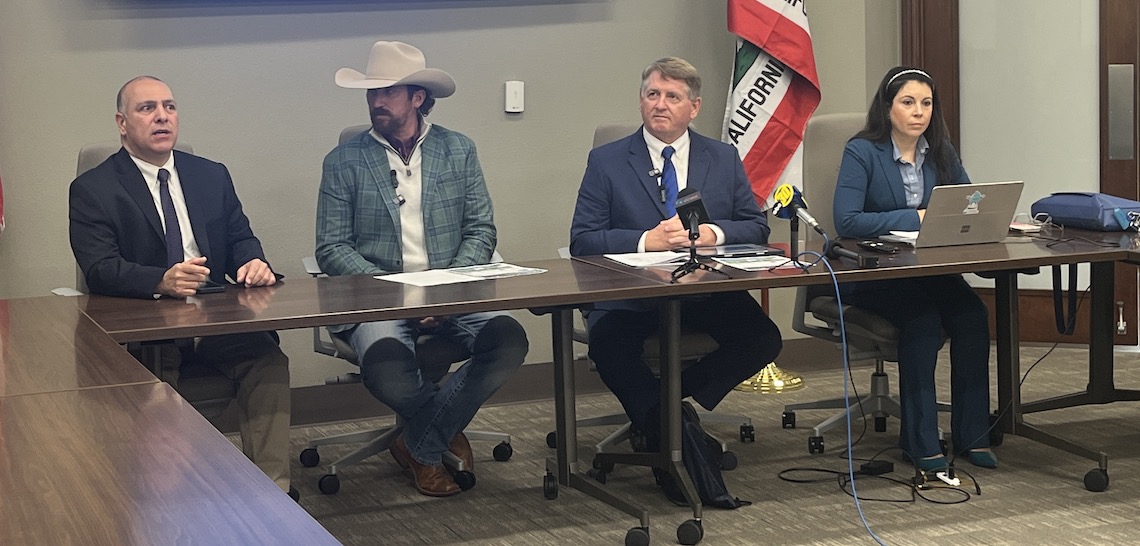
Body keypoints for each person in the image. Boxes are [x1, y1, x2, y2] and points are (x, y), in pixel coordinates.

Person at [316, 41, 529, 497]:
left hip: (452, 290)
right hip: (379, 298)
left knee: (508, 339)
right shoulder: (343, 161)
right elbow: (332, 247)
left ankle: (418, 442)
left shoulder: (459, 150)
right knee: (385, 365)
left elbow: (481, 230)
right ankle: (438, 431)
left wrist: (444, 292)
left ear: (417, 98)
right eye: (372, 93)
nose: (376, 101)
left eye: (388, 92)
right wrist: (403, 295)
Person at [68, 76, 296, 498]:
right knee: (157, 401)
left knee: (268, 362)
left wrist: (254, 261)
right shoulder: (93, 189)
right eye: (147, 108)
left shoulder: (211, 175)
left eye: (169, 107)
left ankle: (273, 496)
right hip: (150, 330)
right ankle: (168, 500)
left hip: (216, 319)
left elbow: (241, 236)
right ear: (122, 122)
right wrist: (160, 279)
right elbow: (100, 268)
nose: (161, 117)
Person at [569, 57, 783, 495]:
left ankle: (660, 409)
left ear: (694, 107)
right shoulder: (607, 160)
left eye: (672, 96)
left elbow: (756, 226)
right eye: (652, 94)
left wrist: (712, 232)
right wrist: (647, 240)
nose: (660, 104)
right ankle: (672, 426)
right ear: (641, 101)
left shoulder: (721, 157)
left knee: (763, 338)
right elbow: (583, 240)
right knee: (610, 347)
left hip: (702, 290)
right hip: (631, 295)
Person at [833, 66, 997, 471]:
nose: (918, 112)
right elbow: (847, 221)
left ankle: (972, 434)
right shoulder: (862, 152)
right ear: (888, 108)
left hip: (931, 268)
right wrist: (918, 217)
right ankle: (920, 442)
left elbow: (967, 198)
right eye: (908, 102)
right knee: (922, 323)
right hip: (879, 274)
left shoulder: (941, 150)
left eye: (926, 103)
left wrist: (987, 206)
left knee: (973, 317)